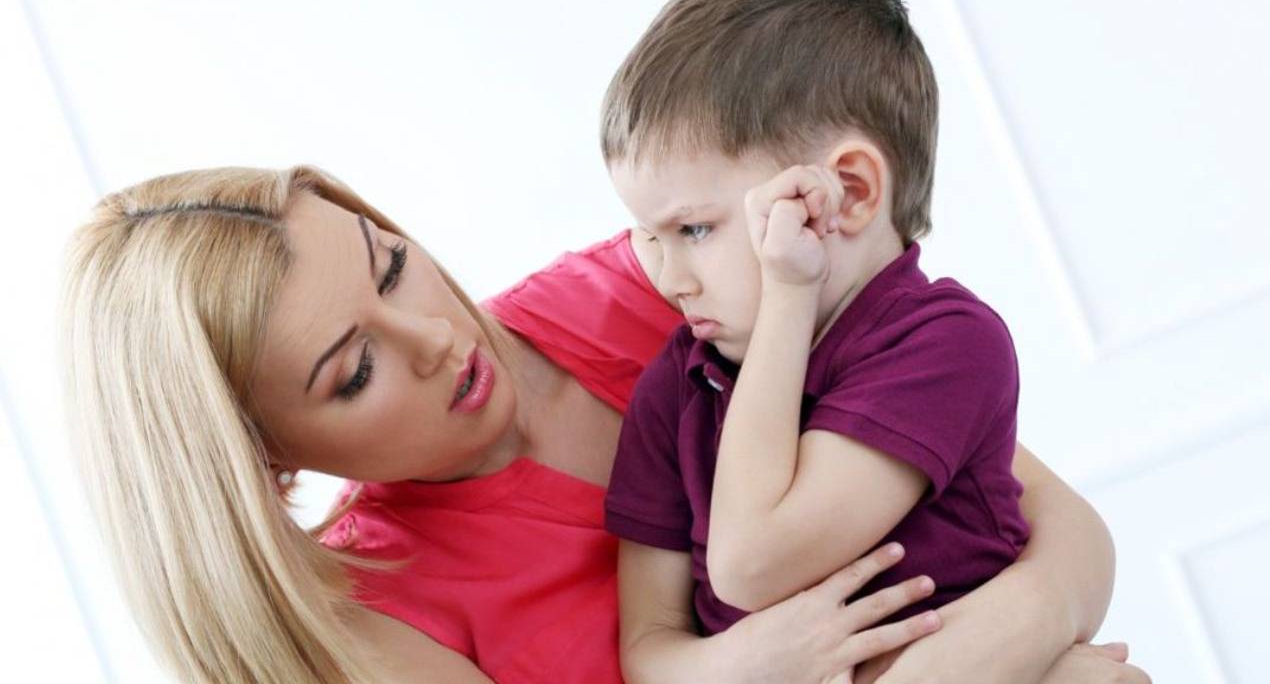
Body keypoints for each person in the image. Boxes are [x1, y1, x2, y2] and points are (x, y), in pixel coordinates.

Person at [61, 164, 1148, 683]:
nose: (436, 336)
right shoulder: (371, 625)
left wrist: (1030, 647)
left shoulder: (665, 288)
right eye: (353, 372)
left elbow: (1054, 522)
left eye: (392, 264)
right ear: (263, 460)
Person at [601, 0, 1050, 678]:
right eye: (649, 239)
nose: (670, 280)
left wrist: (787, 296)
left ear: (848, 192)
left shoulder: (949, 344)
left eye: (693, 229)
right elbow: (650, 653)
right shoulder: (679, 387)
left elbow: (752, 563)